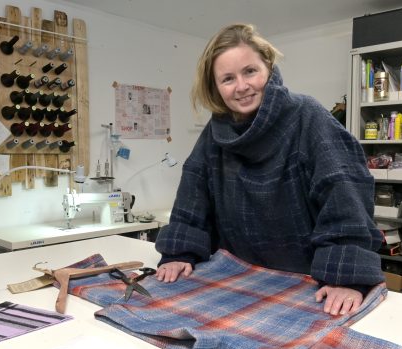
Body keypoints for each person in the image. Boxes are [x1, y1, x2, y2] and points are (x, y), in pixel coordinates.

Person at [154, 24, 385, 316]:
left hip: (309, 282)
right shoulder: (216, 132)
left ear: (269, 67)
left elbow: (344, 194)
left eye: (250, 71)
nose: (241, 86)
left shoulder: (307, 116)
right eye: (228, 78)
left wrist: (345, 276)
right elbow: (193, 194)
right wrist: (180, 253)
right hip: (238, 280)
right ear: (215, 87)